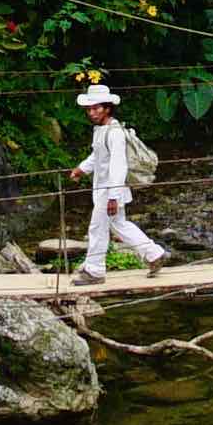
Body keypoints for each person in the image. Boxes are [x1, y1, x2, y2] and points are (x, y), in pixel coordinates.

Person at [74, 73, 164, 280]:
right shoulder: (102, 130)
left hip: (110, 189)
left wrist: (113, 196)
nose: (92, 112)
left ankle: (94, 270)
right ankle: (154, 254)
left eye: (97, 108)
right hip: (106, 189)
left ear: (107, 108)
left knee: (97, 228)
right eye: (89, 109)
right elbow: (98, 156)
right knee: (119, 225)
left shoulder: (114, 133)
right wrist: (81, 169)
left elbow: (118, 165)